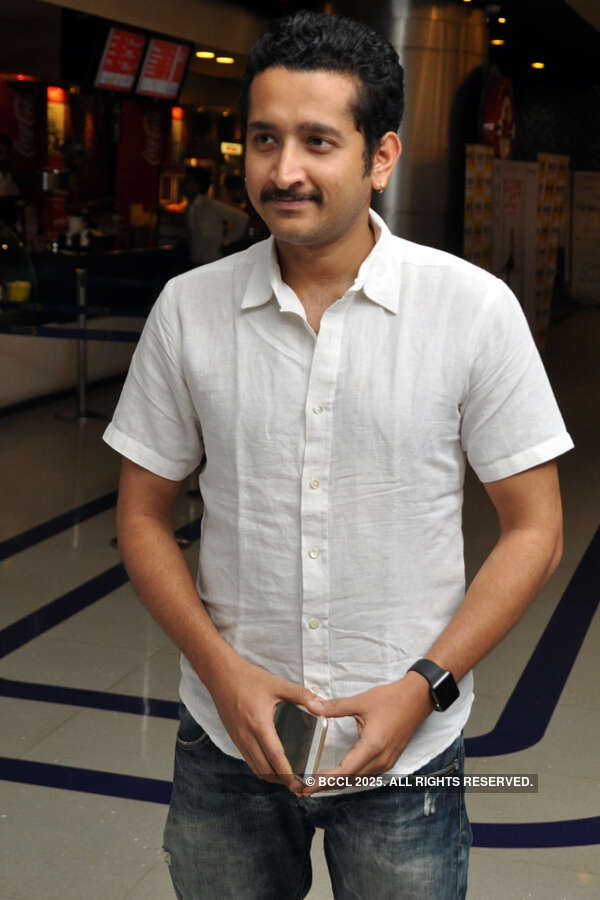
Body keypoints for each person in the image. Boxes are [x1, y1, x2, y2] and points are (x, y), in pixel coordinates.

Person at [103, 10, 573, 899]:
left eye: (319, 141)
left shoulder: (472, 311)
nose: (285, 171)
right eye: (265, 139)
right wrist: (222, 671)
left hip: (406, 755)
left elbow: (535, 531)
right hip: (229, 739)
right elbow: (141, 514)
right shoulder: (188, 309)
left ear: (381, 157)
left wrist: (423, 686)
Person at [182, 166, 249, 266]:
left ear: (197, 185)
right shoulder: (188, 207)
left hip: (212, 261)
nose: (184, 185)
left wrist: (226, 241)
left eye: (188, 181)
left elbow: (242, 218)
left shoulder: (211, 205)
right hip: (195, 261)